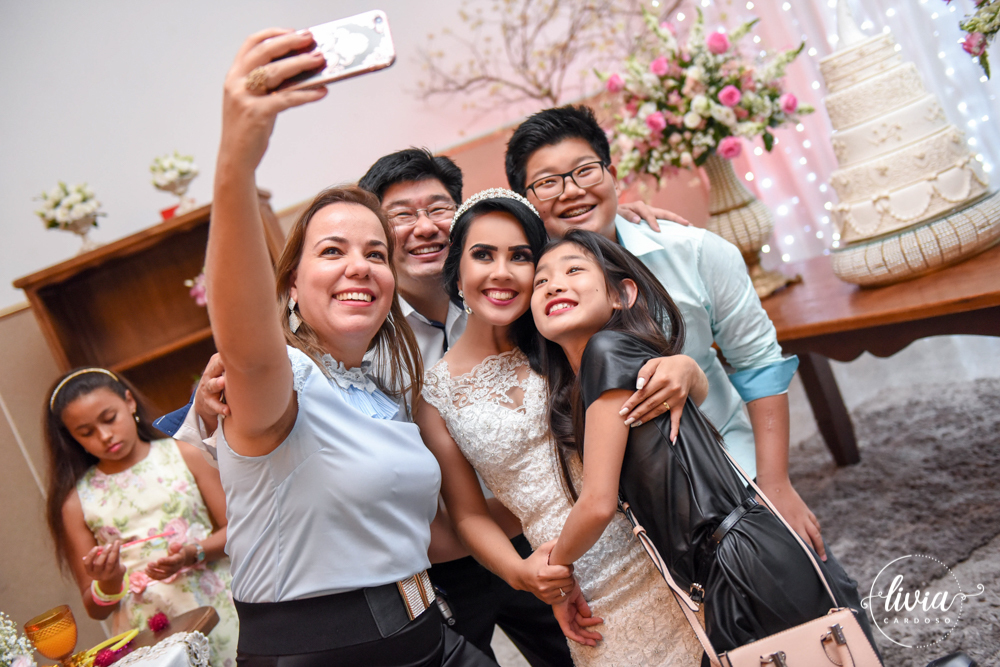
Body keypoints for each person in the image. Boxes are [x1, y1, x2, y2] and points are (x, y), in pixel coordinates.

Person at [158, 147, 682, 665]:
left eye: (437, 209)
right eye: (401, 216)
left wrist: (682, 364)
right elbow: (249, 372)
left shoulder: (542, 323)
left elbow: (609, 316)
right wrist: (215, 398)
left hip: (553, 546)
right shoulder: (356, 347)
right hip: (436, 575)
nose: (424, 226)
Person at [204, 27, 494, 665]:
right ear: (291, 285)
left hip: (428, 631)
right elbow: (246, 342)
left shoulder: (383, 392)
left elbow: (428, 538)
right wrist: (236, 162)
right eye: (332, 251)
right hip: (326, 652)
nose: (359, 266)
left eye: (375, 254)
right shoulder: (282, 380)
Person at [529, 230, 881, 663]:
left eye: (573, 270)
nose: (554, 285)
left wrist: (557, 569)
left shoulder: (606, 351)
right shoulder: (604, 369)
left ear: (622, 295)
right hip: (733, 556)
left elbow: (597, 503)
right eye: (540, 281)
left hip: (738, 558)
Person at [505, 105, 825, 559]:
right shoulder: (528, 286)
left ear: (612, 174)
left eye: (585, 171)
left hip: (722, 472)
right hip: (612, 513)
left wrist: (775, 484)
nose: (572, 191)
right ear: (527, 202)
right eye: (547, 183)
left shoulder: (696, 252)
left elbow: (758, 364)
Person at [418, 188, 710, 666]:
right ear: (456, 270)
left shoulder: (564, 335)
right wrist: (520, 573)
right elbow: (468, 515)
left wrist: (687, 370)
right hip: (573, 580)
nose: (501, 272)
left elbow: (651, 387)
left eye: (520, 256)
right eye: (483, 255)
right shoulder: (433, 395)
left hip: (654, 542)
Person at [43, 368, 238, 666]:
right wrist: (108, 582)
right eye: (86, 432)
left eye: (110, 418)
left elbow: (237, 531)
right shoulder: (76, 503)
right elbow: (95, 609)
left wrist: (192, 553)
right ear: (71, 437)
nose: (105, 435)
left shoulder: (184, 454)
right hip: (148, 633)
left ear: (129, 402)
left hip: (216, 605)